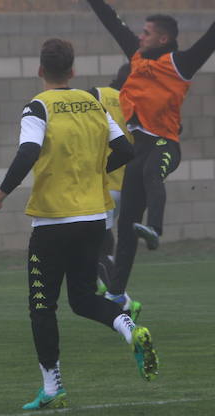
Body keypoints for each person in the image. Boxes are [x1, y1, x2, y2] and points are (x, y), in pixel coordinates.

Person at [0, 39, 157, 411]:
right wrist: (95, 174)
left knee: (42, 307)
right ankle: (130, 331)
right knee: (84, 299)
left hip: (53, 222)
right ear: (73, 71)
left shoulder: (38, 107)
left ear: (40, 70)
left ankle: (52, 386)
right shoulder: (93, 103)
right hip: (94, 219)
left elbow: (28, 151)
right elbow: (125, 149)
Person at [73, 0, 215, 308]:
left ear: (163, 39)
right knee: (125, 228)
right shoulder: (137, 58)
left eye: (147, 32)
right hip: (136, 150)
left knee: (154, 172)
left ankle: (154, 228)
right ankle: (115, 293)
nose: (140, 36)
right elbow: (115, 26)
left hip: (166, 146)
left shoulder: (179, 64)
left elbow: (207, 45)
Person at [86, 63, 132, 302]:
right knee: (104, 238)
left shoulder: (97, 94)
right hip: (128, 186)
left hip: (103, 183)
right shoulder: (137, 103)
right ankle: (100, 282)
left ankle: (121, 298)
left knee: (94, 245)